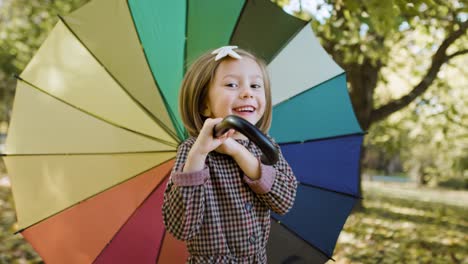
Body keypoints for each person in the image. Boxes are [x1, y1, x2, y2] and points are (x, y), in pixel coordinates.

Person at [162, 46, 297, 263]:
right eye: (232, 85)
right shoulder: (192, 151)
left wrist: (237, 151)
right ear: (205, 104)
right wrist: (199, 154)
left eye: (255, 85)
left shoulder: (266, 146)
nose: (247, 93)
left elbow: (284, 201)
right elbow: (181, 226)